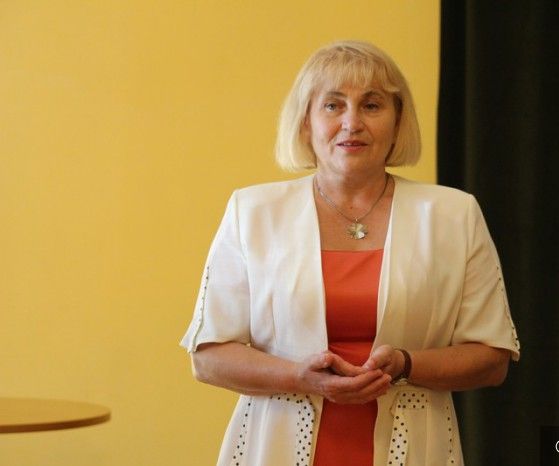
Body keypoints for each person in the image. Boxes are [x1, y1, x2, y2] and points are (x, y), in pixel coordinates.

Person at [180, 40, 520, 466]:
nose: (352, 122)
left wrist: (406, 364)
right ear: (306, 122)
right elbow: (208, 358)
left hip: (414, 449)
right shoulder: (251, 212)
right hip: (277, 447)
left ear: (398, 122)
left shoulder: (455, 214)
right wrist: (299, 377)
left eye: (372, 106)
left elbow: (491, 359)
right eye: (333, 105)